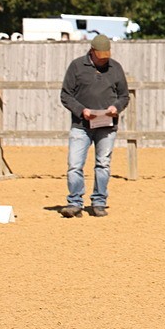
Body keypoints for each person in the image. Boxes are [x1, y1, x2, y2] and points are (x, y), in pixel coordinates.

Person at [59, 34, 129, 217]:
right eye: (100, 57)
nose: (104, 60)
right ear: (92, 52)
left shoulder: (115, 68)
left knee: (103, 164)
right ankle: (74, 203)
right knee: (75, 165)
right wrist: (81, 110)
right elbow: (66, 95)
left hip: (106, 126)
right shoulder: (77, 66)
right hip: (81, 125)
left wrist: (116, 108)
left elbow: (124, 96)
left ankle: (99, 202)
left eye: (106, 56)